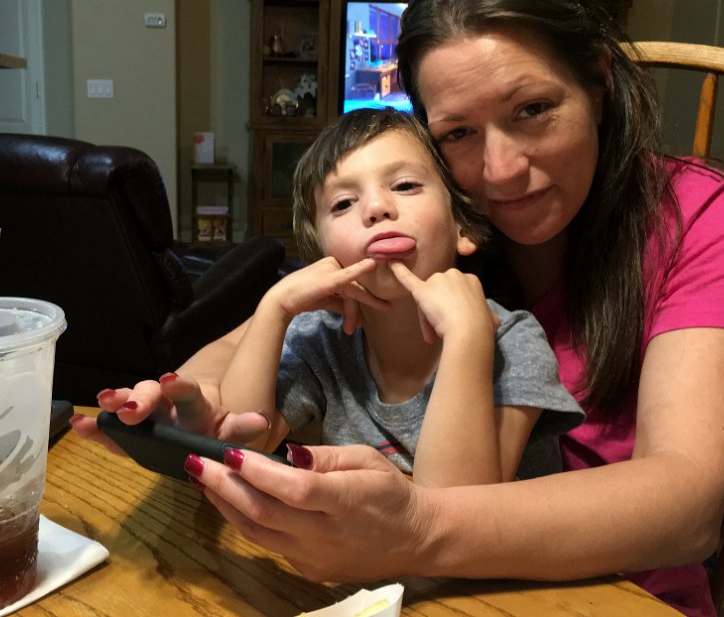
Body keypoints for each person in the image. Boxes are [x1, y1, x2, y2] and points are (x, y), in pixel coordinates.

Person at [73, 0, 724, 617]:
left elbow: (687, 509)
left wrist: (417, 528)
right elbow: (249, 345)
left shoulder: (700, 215)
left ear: (597, 80)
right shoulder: (426, 236)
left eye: (532, 109)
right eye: (459, 133)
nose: (500, 171)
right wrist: (188, 408)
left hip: (618, 591)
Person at [216, 107, 583, 486]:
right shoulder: (320, 338)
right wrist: (274, 308)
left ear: (462, 225)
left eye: (405, 185)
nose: (376, 208)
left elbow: (456, 505)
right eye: (343, 203)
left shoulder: (512, 341)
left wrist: (467, 338)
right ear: (323, 257)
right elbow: (237, 447)